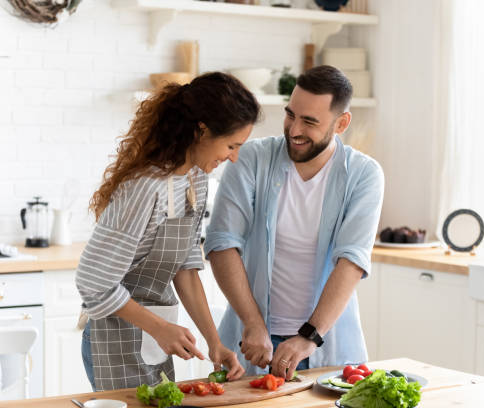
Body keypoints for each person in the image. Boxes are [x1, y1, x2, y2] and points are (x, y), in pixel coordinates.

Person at [75, 72, 260, 391]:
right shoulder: (145, 188)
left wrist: (214, 342)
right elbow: (93, 282)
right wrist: (160, 329)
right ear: (201, 130)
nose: (234, 157)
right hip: (114, 340)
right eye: (231, 145)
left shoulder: (195, 180)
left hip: (154, 341)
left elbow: (185, 268)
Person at [204, 65, 384, 379]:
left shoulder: (364, 174)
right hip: (251, 343)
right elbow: (222, 244)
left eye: (310, 121)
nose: (294, 129)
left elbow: (352, 260)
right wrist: (253, 323)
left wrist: (309, 336)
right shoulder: (250, 159)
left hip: (325, 345)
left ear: (341, 123)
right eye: (291, 115)